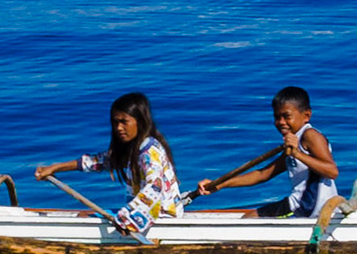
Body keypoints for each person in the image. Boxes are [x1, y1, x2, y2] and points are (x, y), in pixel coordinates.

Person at [35, 92, 183, 238]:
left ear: (140, 121)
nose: (118, 128)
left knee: (85, 219)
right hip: (149, 214)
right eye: (115, 122)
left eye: (124, 122)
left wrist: (130, 221)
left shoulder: (149, 152)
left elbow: (154, 188)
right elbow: (98, 162)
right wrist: (54, 168)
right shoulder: (134, 148)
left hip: (161, 217)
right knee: (83, 216)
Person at [196, 86, 339, 217]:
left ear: (306, 116)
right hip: (300, 206)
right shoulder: (293, 142)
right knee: (248, 218)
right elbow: (262, 174)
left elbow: (332, 172)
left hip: (308, 209)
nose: (281, 122)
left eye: (287, 116)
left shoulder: (310, 136)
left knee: (248, 220)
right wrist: (219, 185)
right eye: (277, 117)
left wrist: (297, 154)